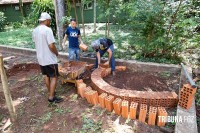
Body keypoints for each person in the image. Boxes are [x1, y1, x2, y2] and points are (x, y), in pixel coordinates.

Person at [32, 12, 63, 103]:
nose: (50, 22)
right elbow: (51, 46)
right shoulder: (47, 30)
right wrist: (56, 53)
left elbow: (36, 42)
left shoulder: (35, 30)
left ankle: (51, 92)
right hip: (49, 58)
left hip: (41, 58)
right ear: (46, 20)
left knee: (46, 76)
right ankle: (51, 97)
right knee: (54, 77)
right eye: (49, 21)